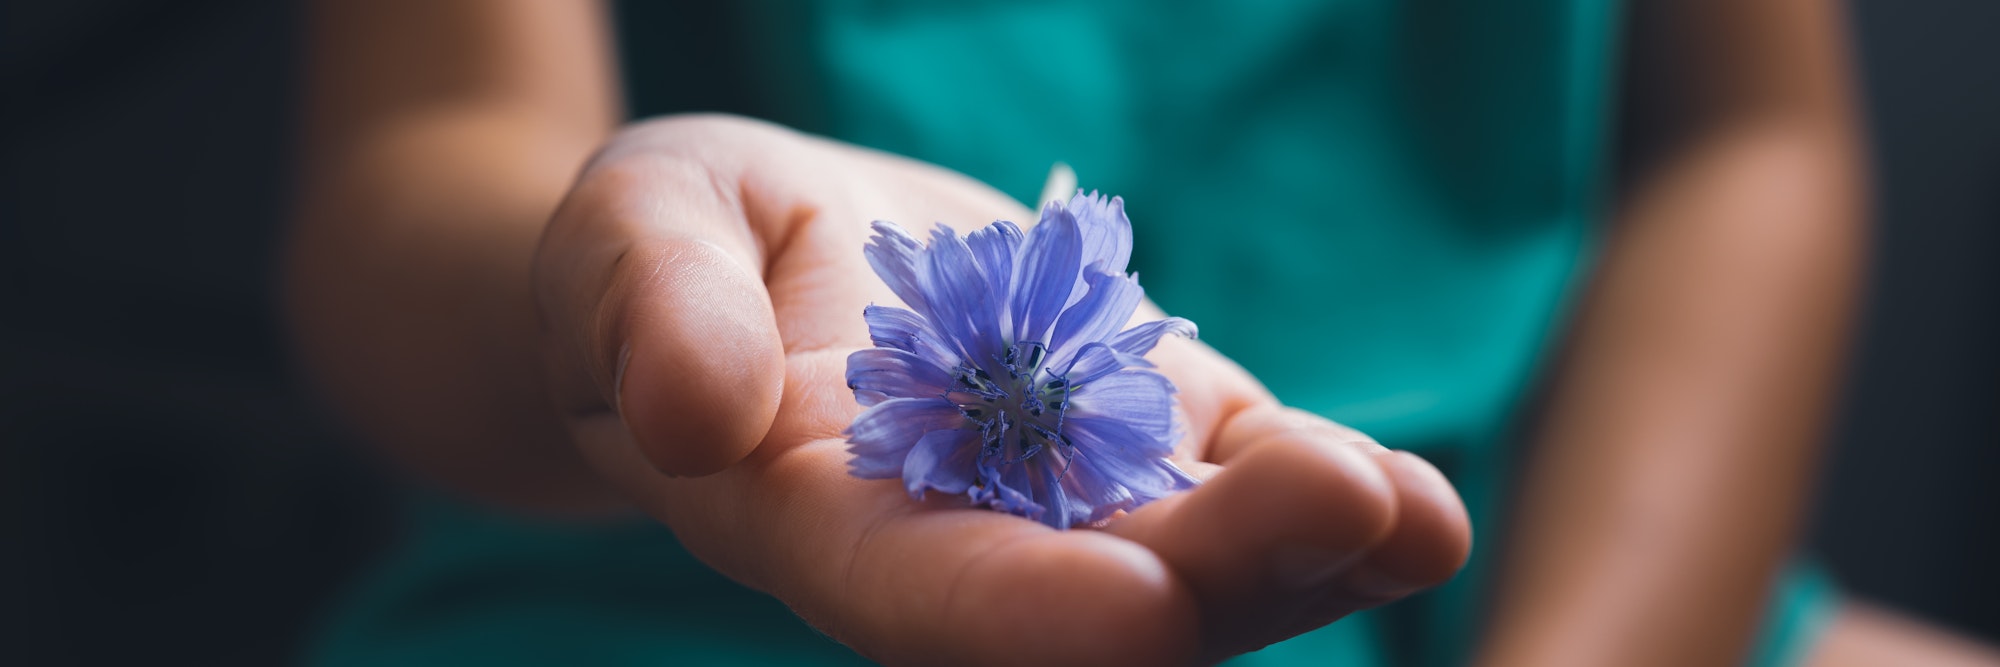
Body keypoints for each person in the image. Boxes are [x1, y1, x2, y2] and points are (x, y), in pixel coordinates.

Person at [288, 1, 1999, 665]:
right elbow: (416, 168)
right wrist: (618, 268)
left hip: (1537, 557)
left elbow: (1745, 141)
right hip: (698, 571)